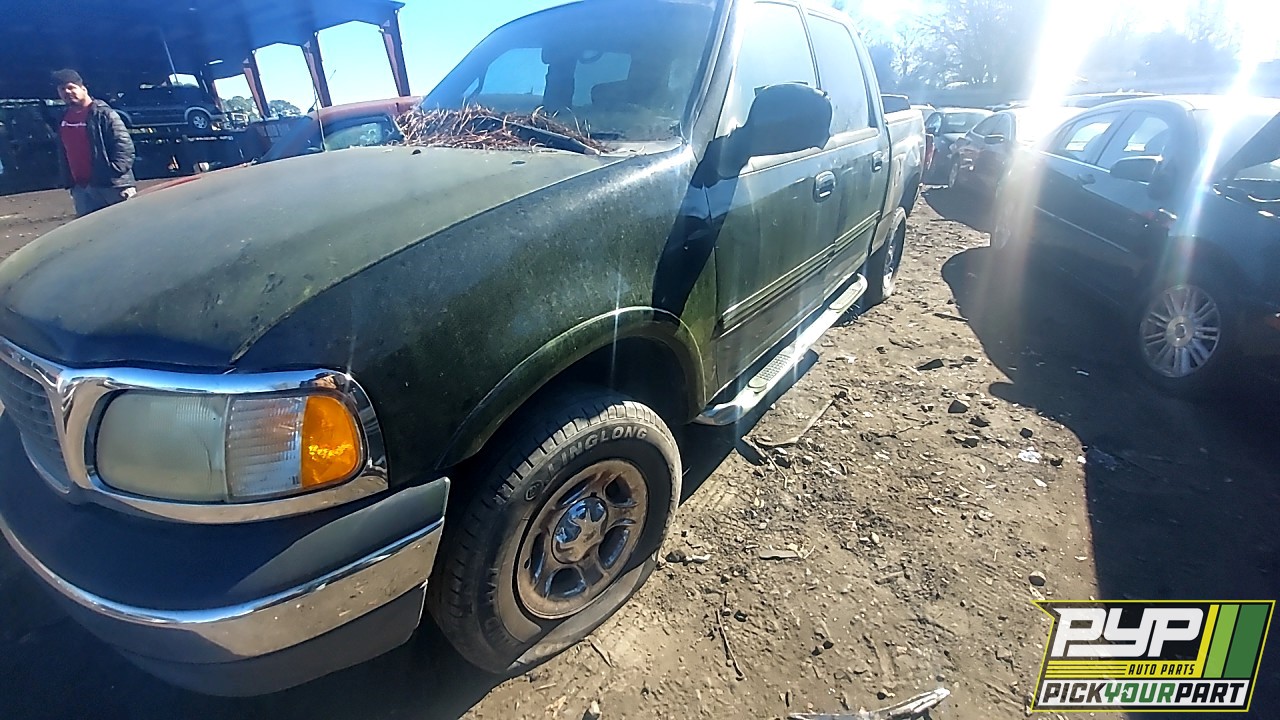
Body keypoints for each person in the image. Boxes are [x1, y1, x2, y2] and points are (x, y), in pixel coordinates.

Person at [51, 69, 136, 217]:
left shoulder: (104, 114)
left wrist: (111, 173)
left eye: (71, 87)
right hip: (82, 190)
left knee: (127, 225)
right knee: (93, 231)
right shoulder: (63, 119)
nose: (67, 92)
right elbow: (64, 151)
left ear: (83, 89)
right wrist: (71, 182)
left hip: (112, 187)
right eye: (62, 89)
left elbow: (124, 147)